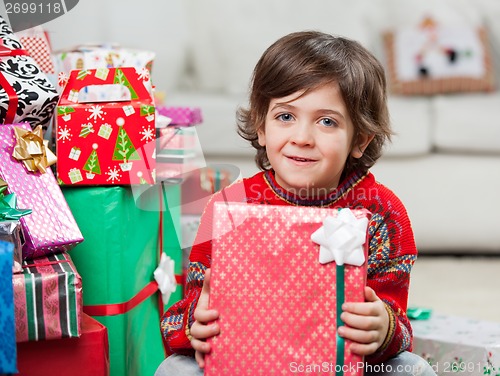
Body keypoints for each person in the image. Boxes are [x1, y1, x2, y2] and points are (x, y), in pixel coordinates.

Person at [156, 31, 436, 376]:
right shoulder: (230, 205)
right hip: (245, 364)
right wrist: (195, 326)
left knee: (413, 369)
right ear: (261, 127)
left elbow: (401, 328)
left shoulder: (381, 211)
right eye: (285, 116)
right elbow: (179, 320)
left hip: (337, 365)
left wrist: (383, 328)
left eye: (327, 122)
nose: (302, 138)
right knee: (174, 369)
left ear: (360, 139)